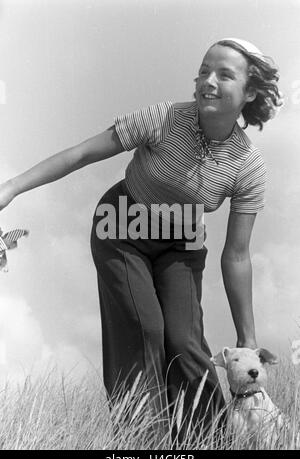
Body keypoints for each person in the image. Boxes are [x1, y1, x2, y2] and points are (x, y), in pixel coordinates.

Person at [0, 38, 282, 436]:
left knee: (184, 342)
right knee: (144, 327)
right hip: (121, 227)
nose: (208, 80)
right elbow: (81, 154)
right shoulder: (165, 118)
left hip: (180, 243)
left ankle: (212, 441)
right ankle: (143, 441)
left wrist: (248, 340)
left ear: (250, 92)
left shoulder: (249, 166)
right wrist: (11, 187)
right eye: (204, 70)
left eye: (224, 74)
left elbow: (236, 255)